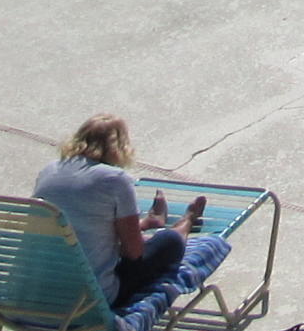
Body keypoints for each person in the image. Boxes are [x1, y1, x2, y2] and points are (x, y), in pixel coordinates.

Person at [34, 115, 227, 314]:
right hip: (88, 302)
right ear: (119, 147)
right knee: (170, 242)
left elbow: (79, 224)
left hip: (34, 293)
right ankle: (188, 220)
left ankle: (150, 222)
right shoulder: (115, 180)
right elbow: (134, 253)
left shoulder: (49, 171)